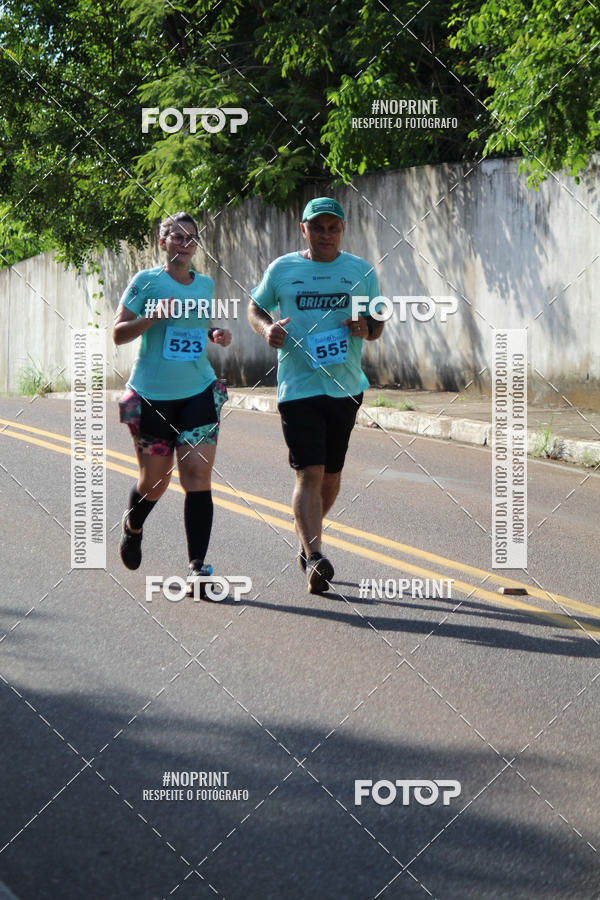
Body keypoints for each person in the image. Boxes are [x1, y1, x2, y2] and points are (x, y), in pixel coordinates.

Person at [248, 197, 384, 594]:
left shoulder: (360, 271)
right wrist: (266, 329)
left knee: (331, 476)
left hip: (345, 386)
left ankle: (308, 543)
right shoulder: (283, 269)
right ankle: (316, 554)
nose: (326, 234)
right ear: (303, 229)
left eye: (333, 227)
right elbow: (255, 307)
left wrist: (365, 328)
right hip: (298, 387)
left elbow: (377, 324)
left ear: (342, 230)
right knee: (308, 472)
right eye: (318, 227)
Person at [113, 211, 231, 594]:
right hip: (153, 396)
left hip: (198, 390)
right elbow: (118, 333)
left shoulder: (205, 284)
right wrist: (150, 317)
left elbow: (197, 326)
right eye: (175, 237)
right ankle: (133, 527)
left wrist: (214, 332)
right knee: (156, 481)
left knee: (196, 474)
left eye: (190, 238)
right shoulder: (145, 282)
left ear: (196, 245)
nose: (183, 243)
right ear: (162, 242)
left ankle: (197, 567)